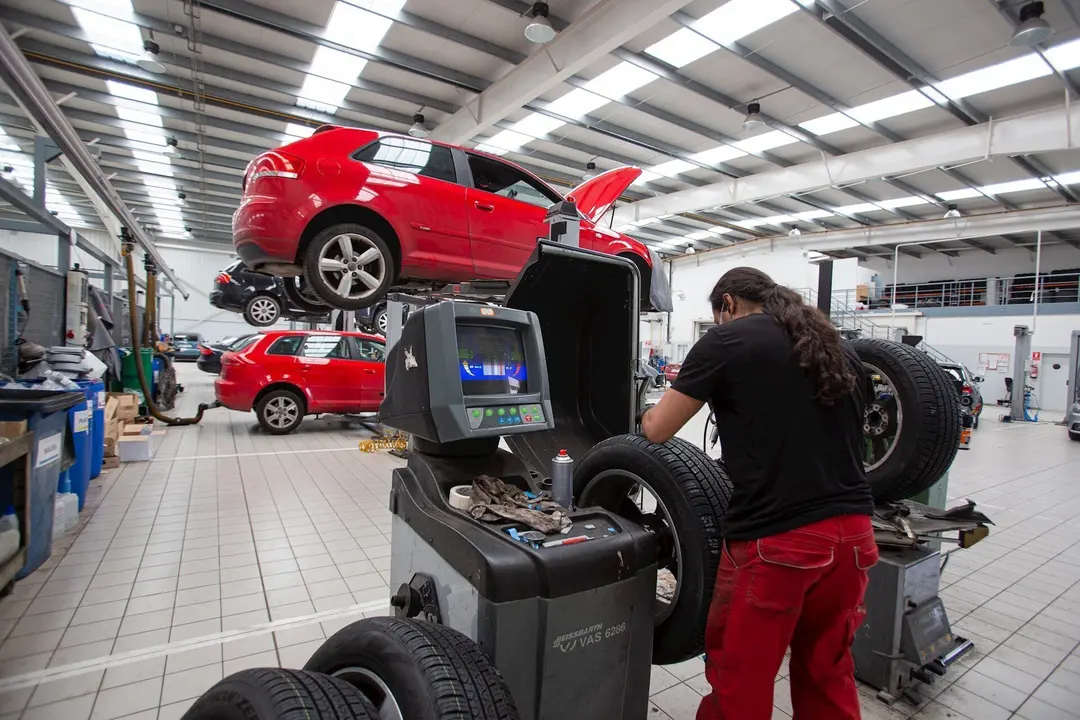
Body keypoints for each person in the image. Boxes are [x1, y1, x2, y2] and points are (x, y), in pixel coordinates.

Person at [639, 267, 877, 720]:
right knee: (828, 671)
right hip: (855, 539)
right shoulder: (835, 347)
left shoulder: (727, 341)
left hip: (779, 543)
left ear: (727, 304)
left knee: (741, 676)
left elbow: (657, 428)